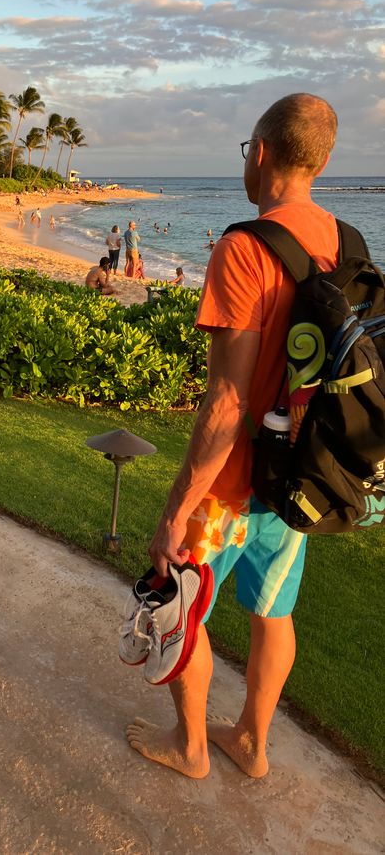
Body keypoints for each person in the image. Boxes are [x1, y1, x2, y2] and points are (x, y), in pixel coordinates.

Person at [126, 93, 340, 780]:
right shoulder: (344, 242)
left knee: (181, 606)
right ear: (324, 161)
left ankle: (191, 746)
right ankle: (252, 741)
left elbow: (225, 402)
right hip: (298, 478)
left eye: (247, 149)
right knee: (275, 613)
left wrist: (174, 510)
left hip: (230, 488)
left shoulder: (243, 249)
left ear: (263, 153)